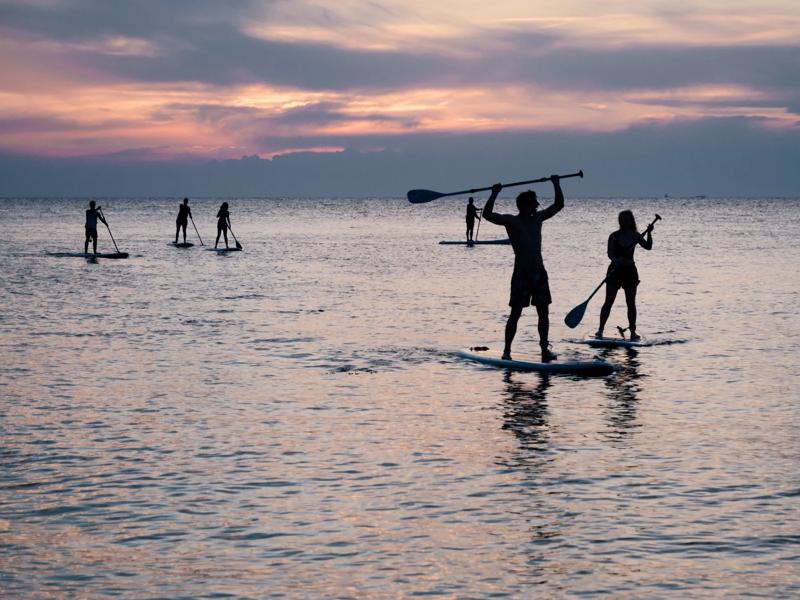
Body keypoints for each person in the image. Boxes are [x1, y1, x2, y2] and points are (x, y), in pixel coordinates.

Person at [482, 176, 564, 362]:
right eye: (534, 203)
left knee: (543, 313)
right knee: (515, 313)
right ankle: (507, 351)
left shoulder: (539, 218)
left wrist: (556, 184)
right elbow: (488, 215)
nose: (537, 206)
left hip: (539, 272)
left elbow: (558, 205)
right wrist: (494, 193)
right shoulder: (512, 221)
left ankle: (544, 350)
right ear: (525, 205)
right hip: (521, 274)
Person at [595, 210, 654, 341]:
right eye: (621, 220)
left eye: (626, 219)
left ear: (630, 221)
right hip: (615, 271)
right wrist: (616, 260)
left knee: (631, 303)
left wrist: (649, 232)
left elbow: (648, 246)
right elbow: (610, 253)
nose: (623, 222)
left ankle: (633, 332)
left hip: (630, 272)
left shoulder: (635, 236)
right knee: (608, 302)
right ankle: (600, 330)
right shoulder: (614, 236)